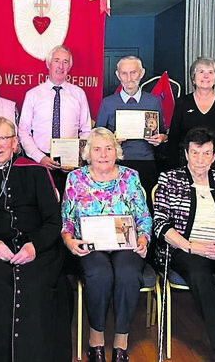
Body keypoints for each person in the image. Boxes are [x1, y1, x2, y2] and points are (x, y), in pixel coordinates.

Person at [0, 116, 71, 362]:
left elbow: (53, 221)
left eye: (3, 139)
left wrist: (34, 246)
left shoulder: (37, 173)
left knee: (40, 287)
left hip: (38, 249)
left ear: (15, 142)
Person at [153, 127, 215, 362]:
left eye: (207, 153)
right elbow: (159, 223)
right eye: (195, 153)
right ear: (186, 154)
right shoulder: (170, 178)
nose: (200, 159)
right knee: (199, 274)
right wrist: (189, 246)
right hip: (186, 247)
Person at [60, 127, 151, 362]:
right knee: (99, 274)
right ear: (88, 153)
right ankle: (96, 338)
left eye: (108, 148)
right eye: (97, 149)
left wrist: (143, 238)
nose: (103, 154)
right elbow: (67, 220)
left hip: (125, 243)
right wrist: (69, 241)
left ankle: (121, 340)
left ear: (117, 151)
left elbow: (143, 216)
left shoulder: (130, 176)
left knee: (128, 273)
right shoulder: (75, 178)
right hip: (90, 244)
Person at [94, 56, 166, 210]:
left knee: (145, 206)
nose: (129, 78)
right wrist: (111, 141)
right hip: (117, 163)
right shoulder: (108, 103)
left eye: (133, 73)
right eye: (124, 73)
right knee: (116, 206)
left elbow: (163, 132)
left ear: (142, 73)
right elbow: (97, 137)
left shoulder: (153, 101)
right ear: (118, 75)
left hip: (146, 162)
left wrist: (161, 138)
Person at [18, 45, 92, 194]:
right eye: (57, 61)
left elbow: (86, 130)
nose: (61, 66)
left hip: (70, 164)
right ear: (48, 64)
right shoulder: (33, 95)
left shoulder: (79, 94)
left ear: (70, 67)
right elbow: (23, 131)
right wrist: (40, 158)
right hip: (40, 161)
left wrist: (75, 158)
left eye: (65, 62)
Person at [167, 57, 215, 179]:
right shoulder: (182, 103)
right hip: (187, 167)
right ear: (193, 79)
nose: (206, 76)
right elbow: (173, 139)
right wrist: (173, 170)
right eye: (201, 72)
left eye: (210, 72)